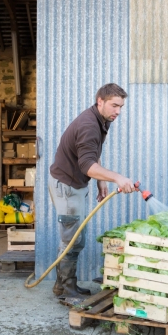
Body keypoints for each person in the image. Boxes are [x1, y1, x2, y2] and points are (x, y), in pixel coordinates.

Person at [49, 83, 136, 303]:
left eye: (121, 106)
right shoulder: (89, 125)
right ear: (100, 101)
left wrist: (99, 181)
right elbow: (87, 164)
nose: (118, 111)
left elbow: (91, 154)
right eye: (114, 105)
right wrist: (117, 177)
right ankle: (66, 291)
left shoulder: (100, 120)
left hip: (74, 184)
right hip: (67, 186)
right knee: (71, 239)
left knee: (75, 236)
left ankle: (64, 286)